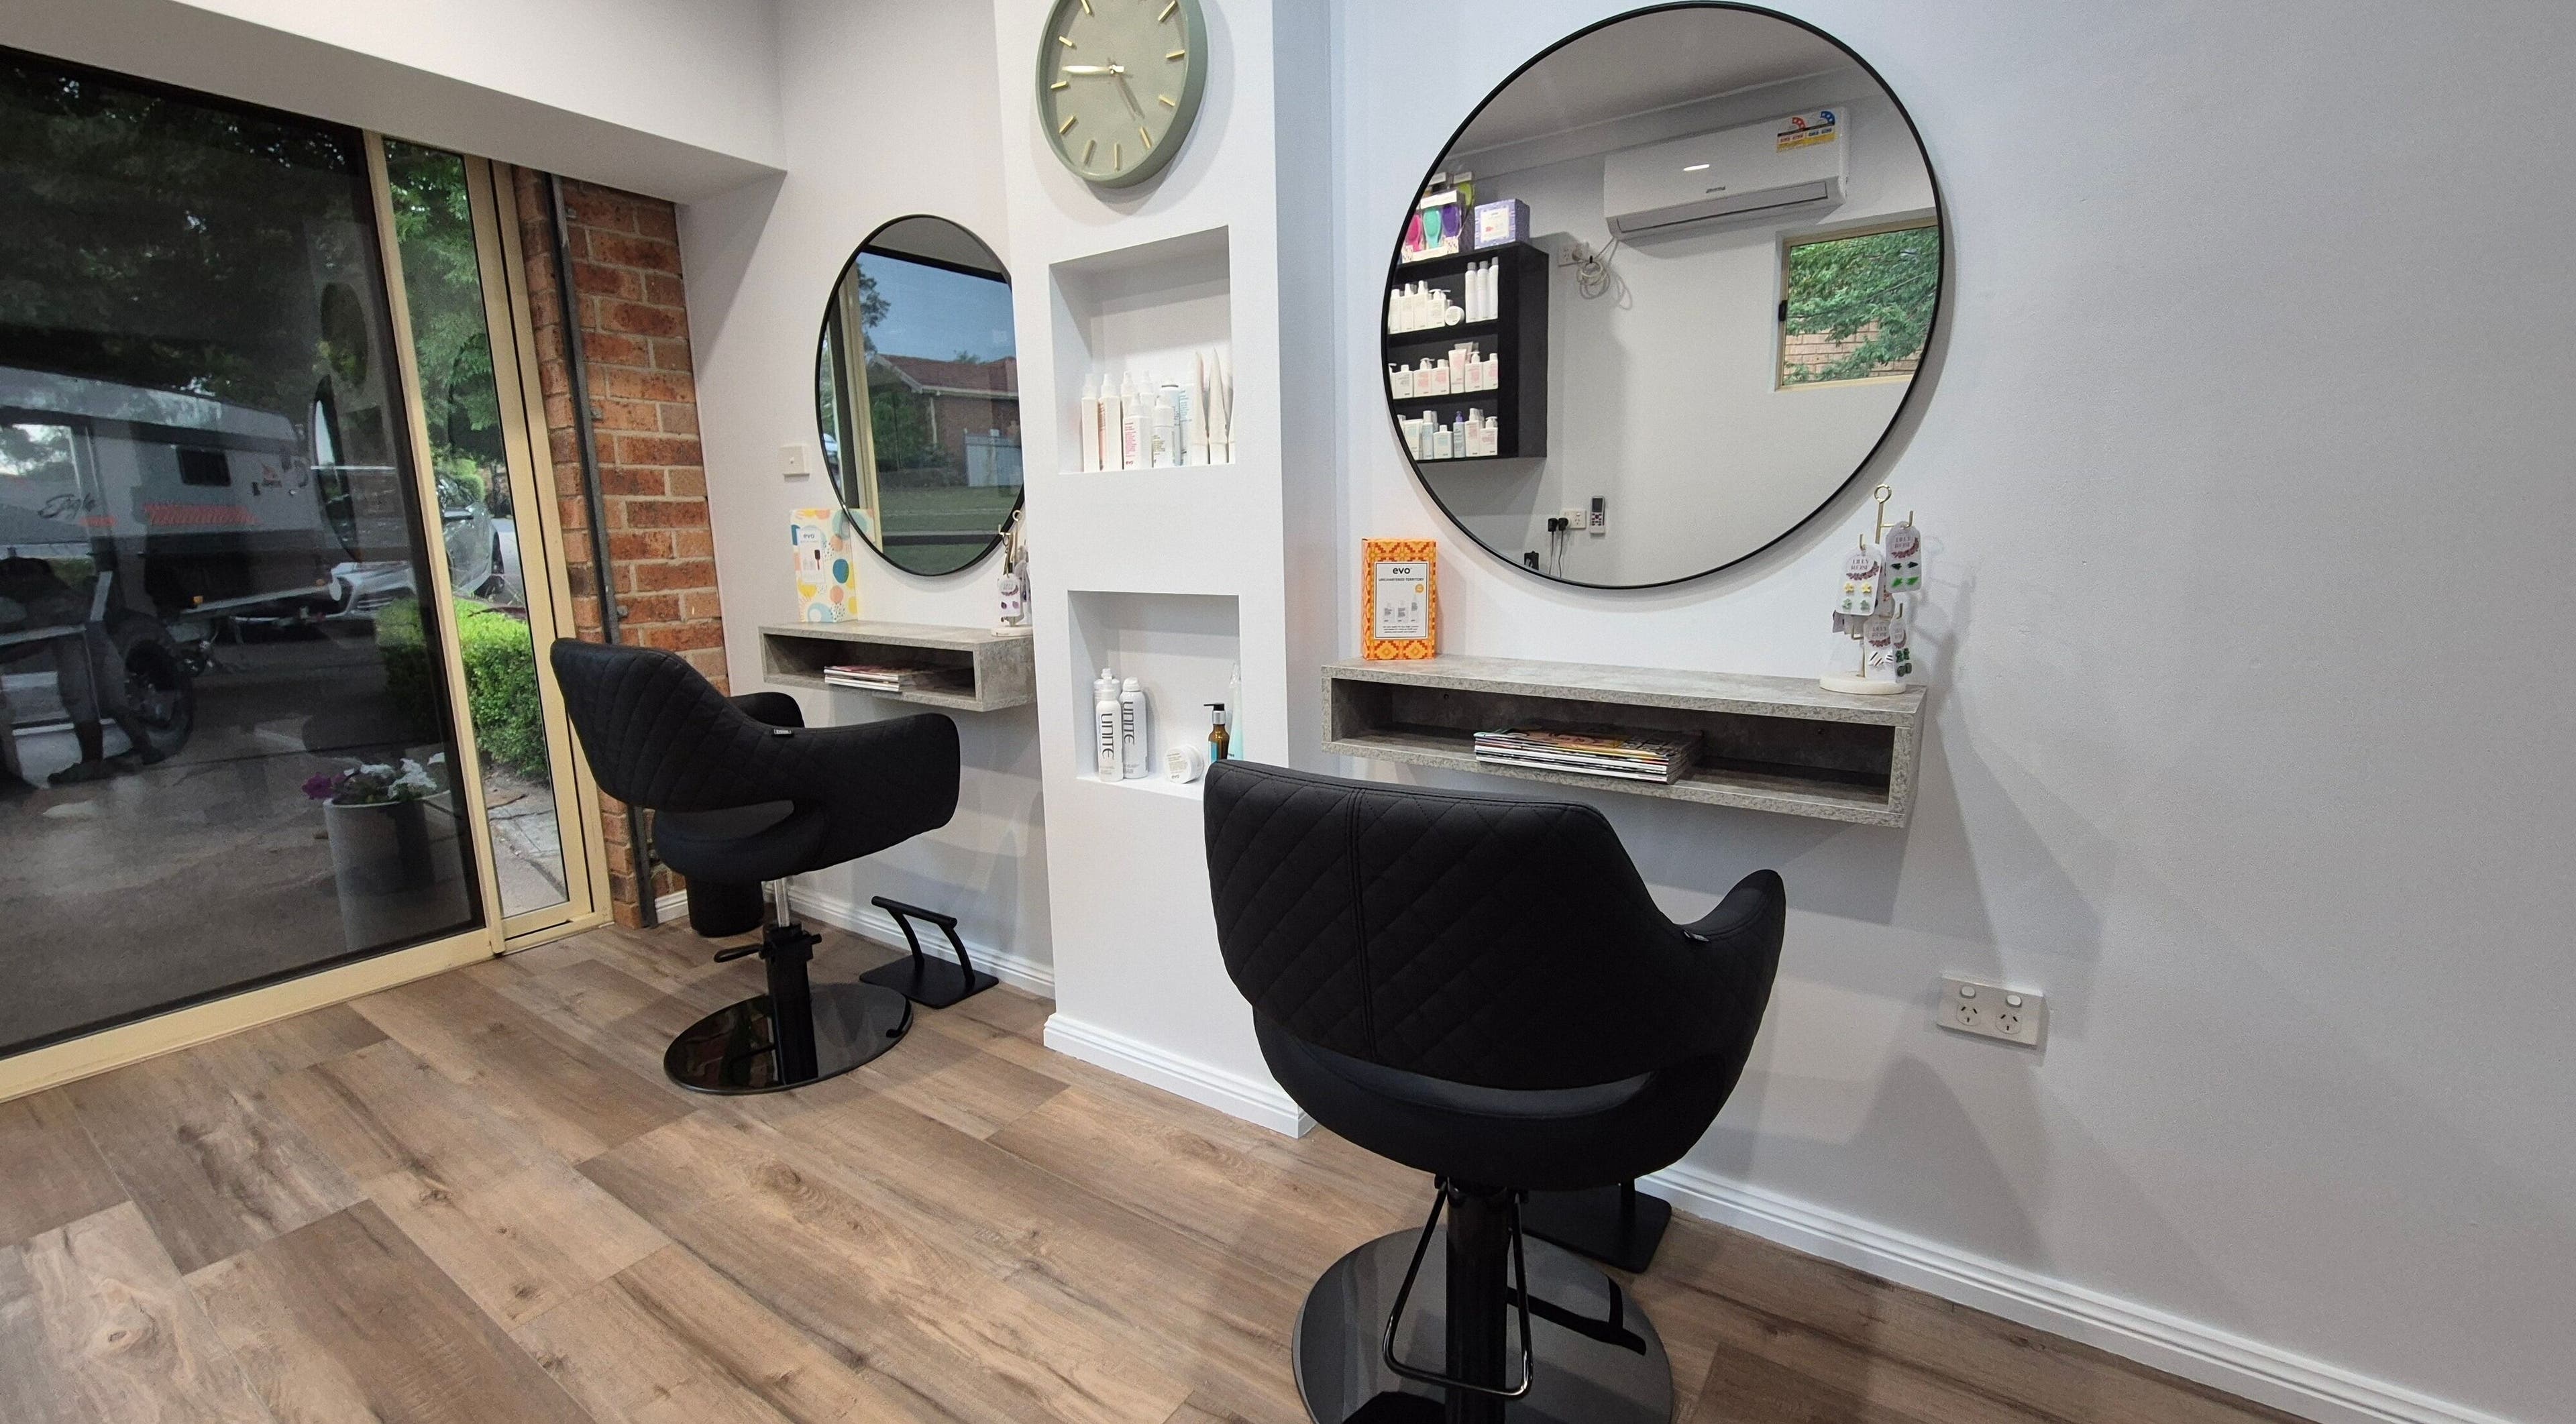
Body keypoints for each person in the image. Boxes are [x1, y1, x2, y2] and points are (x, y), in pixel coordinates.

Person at [0, 553, 162, 785]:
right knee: (114, 703)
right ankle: (143, 748)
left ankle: (93, 762)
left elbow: (37, 639)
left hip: (78, 654)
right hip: (102, 651)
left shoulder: (43, 601)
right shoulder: (67, 595)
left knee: (81, 703)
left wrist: (5, 654)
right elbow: (33, 627)